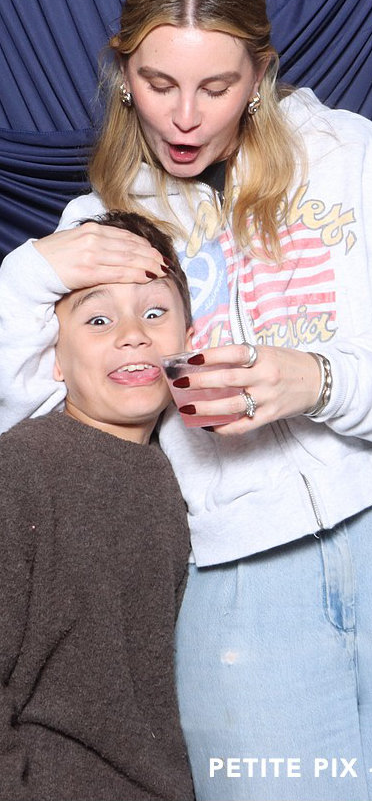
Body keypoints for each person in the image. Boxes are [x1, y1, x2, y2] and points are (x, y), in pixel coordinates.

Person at [0, 0, 372, 801]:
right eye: (159, 83)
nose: (185, 117)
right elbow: (32, 423)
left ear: (260, 76)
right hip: (237, 577)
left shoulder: (349, 153)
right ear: (124, 75)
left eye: (216, 87)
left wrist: (315, 380)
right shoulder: (99, 225)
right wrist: (27, 274)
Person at [0, 210, 195, 801]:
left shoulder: (189, 479)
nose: (133, 334)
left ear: (189, 339)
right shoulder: (21, 467)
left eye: (155, 313)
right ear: (54, 359)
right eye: (99, 319)